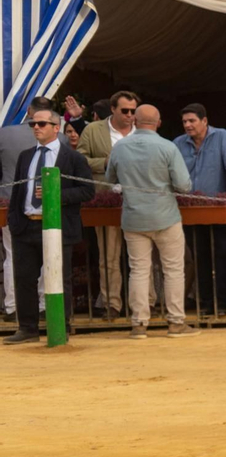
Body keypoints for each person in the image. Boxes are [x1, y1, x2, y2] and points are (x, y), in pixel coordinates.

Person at [3, 107, 94, 344]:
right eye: (33, 124)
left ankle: (60, 326)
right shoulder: (25, 155)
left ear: (56, 128)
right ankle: (28, 328)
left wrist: (56, 194)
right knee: (24, 279)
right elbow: (18, 191)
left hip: (58, 226)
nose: (35, 127)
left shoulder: (73, 157)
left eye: (41, 124)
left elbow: (88, 191)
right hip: (26, 226)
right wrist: (13, 219)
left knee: (59, 278)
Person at [106, 104, 198, 338]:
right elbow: (184, 185)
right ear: (158, 123)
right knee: (174, 270)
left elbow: (110, 179)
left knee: (138, 270)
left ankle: (139, 325)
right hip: (165, 216)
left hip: (134, 217)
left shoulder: (120, 147)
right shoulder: (167, 147)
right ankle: (176, 322)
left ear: (134, 121)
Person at [174, 103, 226, 315]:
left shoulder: (222, 136)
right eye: (185, 122)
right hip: (191, 210)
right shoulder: (178, 143)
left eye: (192, 121)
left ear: (204, 121)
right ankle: (206, 303)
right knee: (200, 256)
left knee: (223, 254)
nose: (188, 125)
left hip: (220, 208)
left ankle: (223, 302)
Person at [76, 89, 139, 318]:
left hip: (138, 202)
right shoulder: (93, 130)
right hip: (106, 200)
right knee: (108, 257)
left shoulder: (142, 130)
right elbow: (80, 159)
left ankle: (143, 305)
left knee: (140, 258)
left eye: (133, 111)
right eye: (125, 110)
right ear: (112, 109)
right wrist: (104, 163)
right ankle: (112, 304)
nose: (130, 115)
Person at [0, 96, 54, 321]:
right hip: (49, 206)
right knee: (48, 255)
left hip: (9, 203)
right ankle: (43, 305)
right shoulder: (56, 135)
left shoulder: (4, 133)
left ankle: (13, 307)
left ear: (29, 110)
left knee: (13, 256)